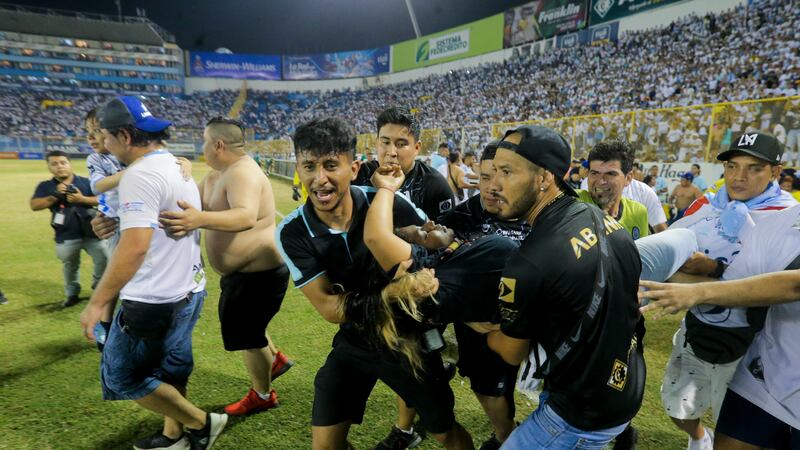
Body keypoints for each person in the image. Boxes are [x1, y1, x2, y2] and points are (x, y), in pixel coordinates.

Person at [276, 117, 473, 450]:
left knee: (446, 432)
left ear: (353, 168)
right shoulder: (292, 231)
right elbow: (330, 309)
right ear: (298, 168)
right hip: (355, 340)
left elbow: (436, 240)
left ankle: (409, 428)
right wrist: (396, 290)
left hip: (407, 339)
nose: (319, 179)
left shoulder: (387, 202)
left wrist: (429, 248)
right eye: (309, 166)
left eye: (330, 166)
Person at [475, 125, 646, 448]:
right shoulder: (604, 220)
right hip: (625, 384)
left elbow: (512, 353)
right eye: (494, 171)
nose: (494, 185)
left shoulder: (528, 263)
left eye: (507, 172)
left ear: (544, 178)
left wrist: (482, 327)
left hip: (580, 413)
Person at [79, 96, 226, 450]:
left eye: (108, 136)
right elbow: (154, 224)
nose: (106, 144)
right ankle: (175, 437)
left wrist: (99, 302)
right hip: (188, 288)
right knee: (171, 370)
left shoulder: (139, 174)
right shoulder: (175, 166)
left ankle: (202, 423)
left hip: (153, 298)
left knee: (121, 376)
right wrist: (113, 222)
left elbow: (136, 246)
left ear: (126, 136)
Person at [660, 130, 796, 450]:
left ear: (776, 172)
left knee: (735, 431)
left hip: (751, 346)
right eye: (732, 166)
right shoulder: (707, 203)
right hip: (696, 329)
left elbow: (781, 289)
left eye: (754, 168)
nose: (739, 177)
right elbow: (671, 259)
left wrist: (711, 272)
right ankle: (697, 436)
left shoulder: (790, 218)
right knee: (676, 407)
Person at [158, 116, 292, 417]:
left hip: (259, 275)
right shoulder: (219, 174)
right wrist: (185, 178)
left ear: (218, 144)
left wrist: (199, 220)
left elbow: (244, 216)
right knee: (250, 327)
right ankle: (275, 360)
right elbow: (194, 202)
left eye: (204, 142)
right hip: (244, 275)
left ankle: (263, 394)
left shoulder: (242, 173)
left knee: (248, 337)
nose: (201, 149)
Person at [640, 204, 800, 450]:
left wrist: (697, 292)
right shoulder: (778, 221)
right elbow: (741, 281)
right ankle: (700, 438)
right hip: (764, 373)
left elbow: (793, 286)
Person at [365, 106, 455, 448]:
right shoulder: (364, 177)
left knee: (410, 361)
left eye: (401, 143)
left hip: (417, 290)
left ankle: (405, 429)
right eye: (385, 142)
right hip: (376, 288)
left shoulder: (435, 185)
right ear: (375, 143)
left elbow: (447, 242)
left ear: (417, 147)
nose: (392, 151)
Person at [437, 140, 528, 449]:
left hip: (528, 326)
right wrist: (465, 315)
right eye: (484, 177)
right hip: (477, 331)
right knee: (488, 391)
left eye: (500, 177)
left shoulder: (537, 213)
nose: (491, 187)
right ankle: (505, 436)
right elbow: (437, 274)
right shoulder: (463, 216)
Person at [31, 150, 109, 307]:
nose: (59, 167)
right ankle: (72, 294)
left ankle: (98, 286)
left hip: (93, 233)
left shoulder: (86, 182)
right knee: (70, 266)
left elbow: (104, 200)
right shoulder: (46, 186)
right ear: (49, 167)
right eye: (54, 164)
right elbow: (34, 205)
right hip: (65, 235)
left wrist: (82, 199)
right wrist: (54, 195)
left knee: (104, 259)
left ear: (69, 164)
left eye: (63, 162)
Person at [577, 140, 650, 240]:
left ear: (628, 178)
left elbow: (640, 254)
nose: (601, 181)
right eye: (594, 173)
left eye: (610, 174)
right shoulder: (573, 201)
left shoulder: (638, 212)